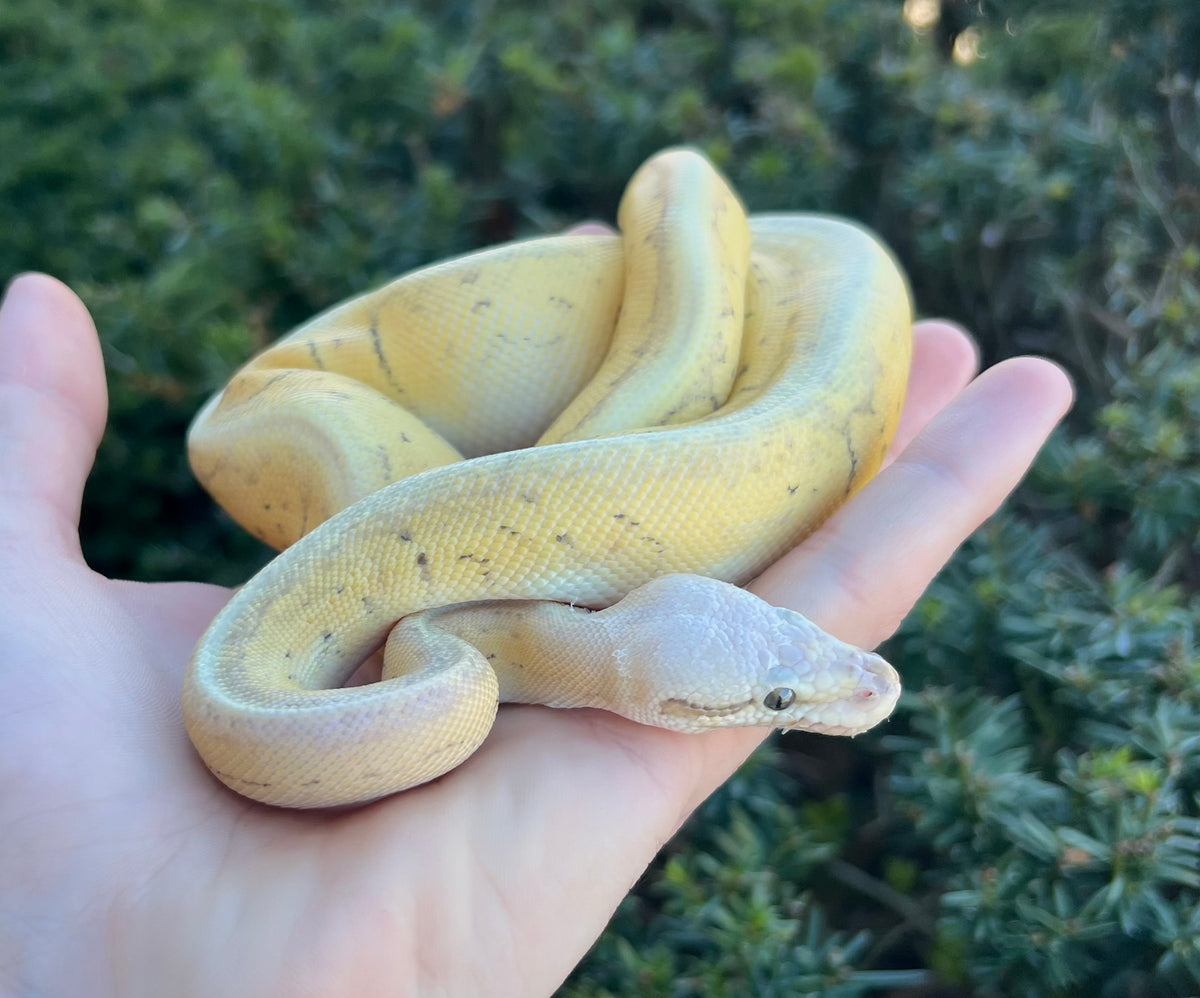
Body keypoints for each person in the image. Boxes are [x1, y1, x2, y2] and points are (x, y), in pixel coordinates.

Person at [0, 269, 1072, 997]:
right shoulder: (433, 673)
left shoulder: (481, 646)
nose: (856, 689)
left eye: (781, 679)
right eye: (779, 697)